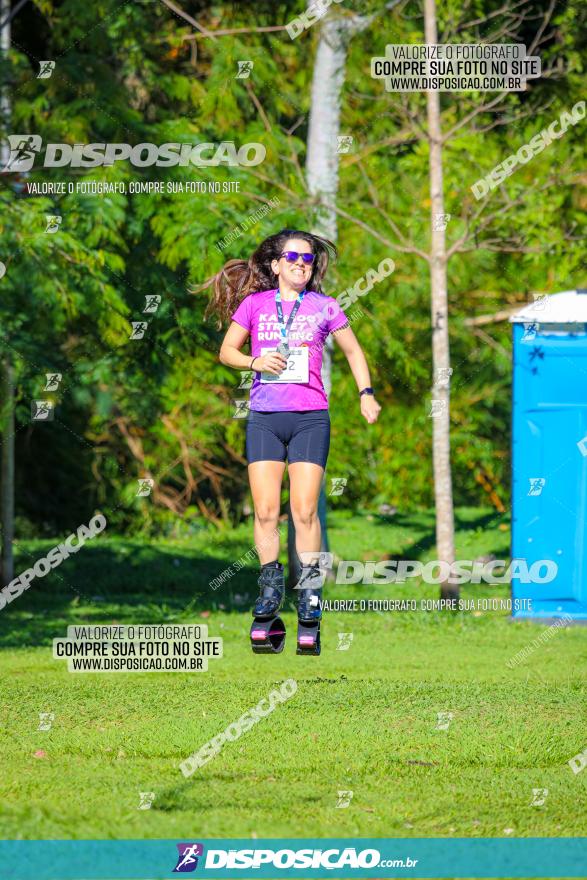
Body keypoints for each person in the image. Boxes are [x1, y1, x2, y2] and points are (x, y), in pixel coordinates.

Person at [204, 228, 381, 646]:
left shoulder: (325, 306)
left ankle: (311, 593)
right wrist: (254, 360)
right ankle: (269, 591)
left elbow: (354, 352)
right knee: (266, 512)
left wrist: (366, 393)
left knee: (303, 511)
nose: (303, 264)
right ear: (276, 264)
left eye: (309, 259)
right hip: (265, 417)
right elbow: (226, 352)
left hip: (310, 419)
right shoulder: (254, 304)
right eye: (294, 257)